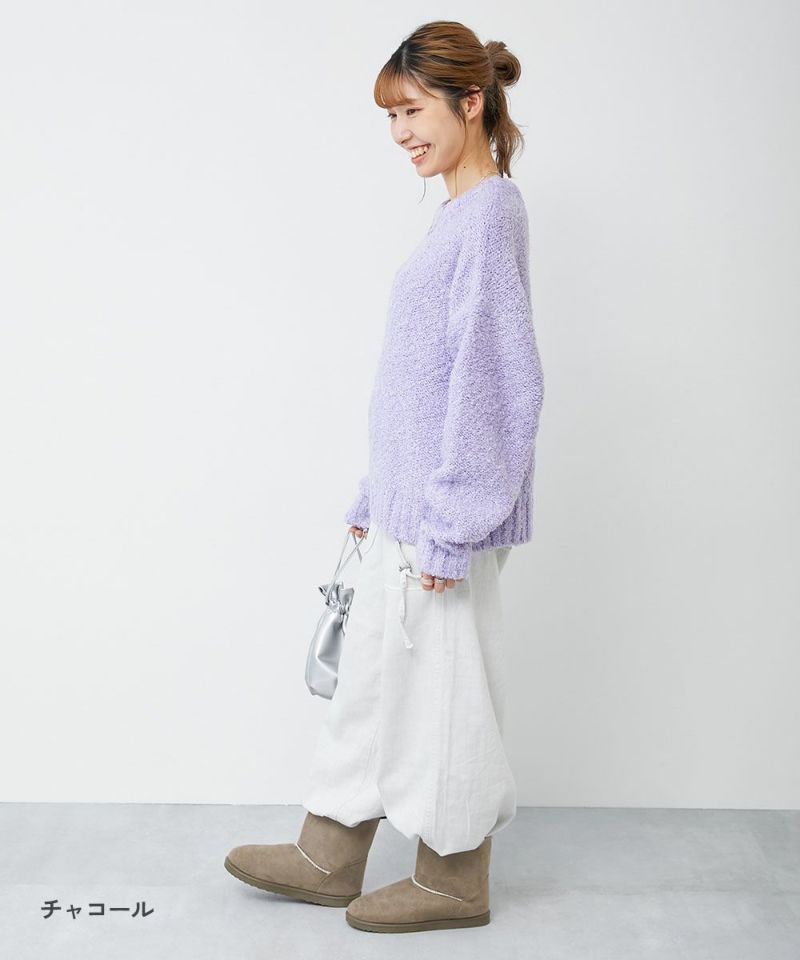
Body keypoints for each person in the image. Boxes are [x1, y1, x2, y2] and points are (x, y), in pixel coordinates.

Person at [224, 19, 545, 934]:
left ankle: (454, 877)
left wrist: (453, 522)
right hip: (405, 509)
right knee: (369, 686)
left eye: (412, 110)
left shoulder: (492, 213)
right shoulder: (455, 214)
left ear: (471, 103)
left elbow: (495, 377)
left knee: (447, 699)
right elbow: (416, 379)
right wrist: (376, 497)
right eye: (391, 116)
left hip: (443, 518)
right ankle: (329, 852)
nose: (401, 132)